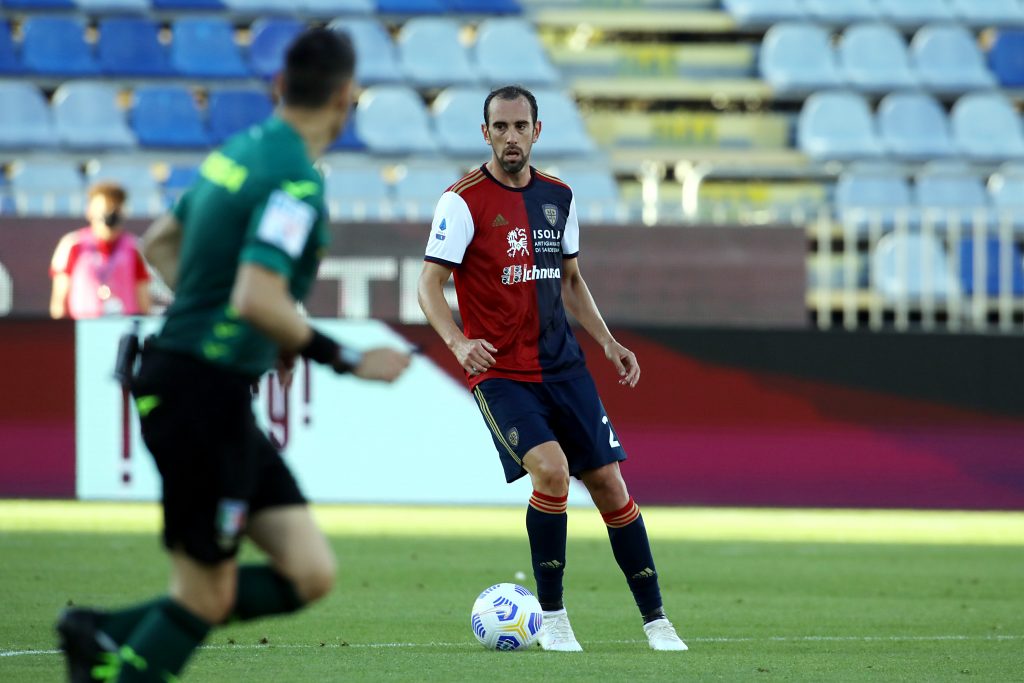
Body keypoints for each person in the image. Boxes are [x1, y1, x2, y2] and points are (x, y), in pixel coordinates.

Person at [56, 28, 411, 682]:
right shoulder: (295, 181)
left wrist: (245, 326)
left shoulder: (237, 152)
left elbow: (161, 243)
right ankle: (115, 658)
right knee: (205, 596)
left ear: (280, 86)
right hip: (200, 395)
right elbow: (256, 295)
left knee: (309, 572)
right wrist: (346, 357)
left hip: (204, 389)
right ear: (345, 96)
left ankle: (99, 631)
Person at [418, 85, 687, 653]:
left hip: (564, 367)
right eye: (500, 127)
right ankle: (554, 615)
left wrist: (608, 342)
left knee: (610, 485)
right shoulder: (462, 201)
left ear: (537, 131)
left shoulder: (558, 197)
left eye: (520, 126)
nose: (510, 136)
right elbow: (429, 285)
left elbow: (570, 280)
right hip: (500, 372)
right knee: (551, 470)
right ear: (485, 133)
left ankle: (656, 620)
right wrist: (458, 343)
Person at [49, 182, 151, 320]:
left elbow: (144, 300)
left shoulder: (135, 247)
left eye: (116, 208)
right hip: (84, 326)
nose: (111, 213)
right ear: (90, 210)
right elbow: (59, 302)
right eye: (106, 208)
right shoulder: (73, 244)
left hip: (124, 326)